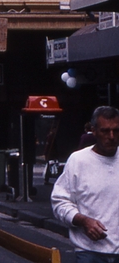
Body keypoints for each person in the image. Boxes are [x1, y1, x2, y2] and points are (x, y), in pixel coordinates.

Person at [51, 105, 119, 260]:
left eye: (116, 130)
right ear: (93, 131)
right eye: (105, 131)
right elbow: (60, 202)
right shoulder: (78, 161)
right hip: (89, 252)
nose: (111, 136)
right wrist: (83, 221)